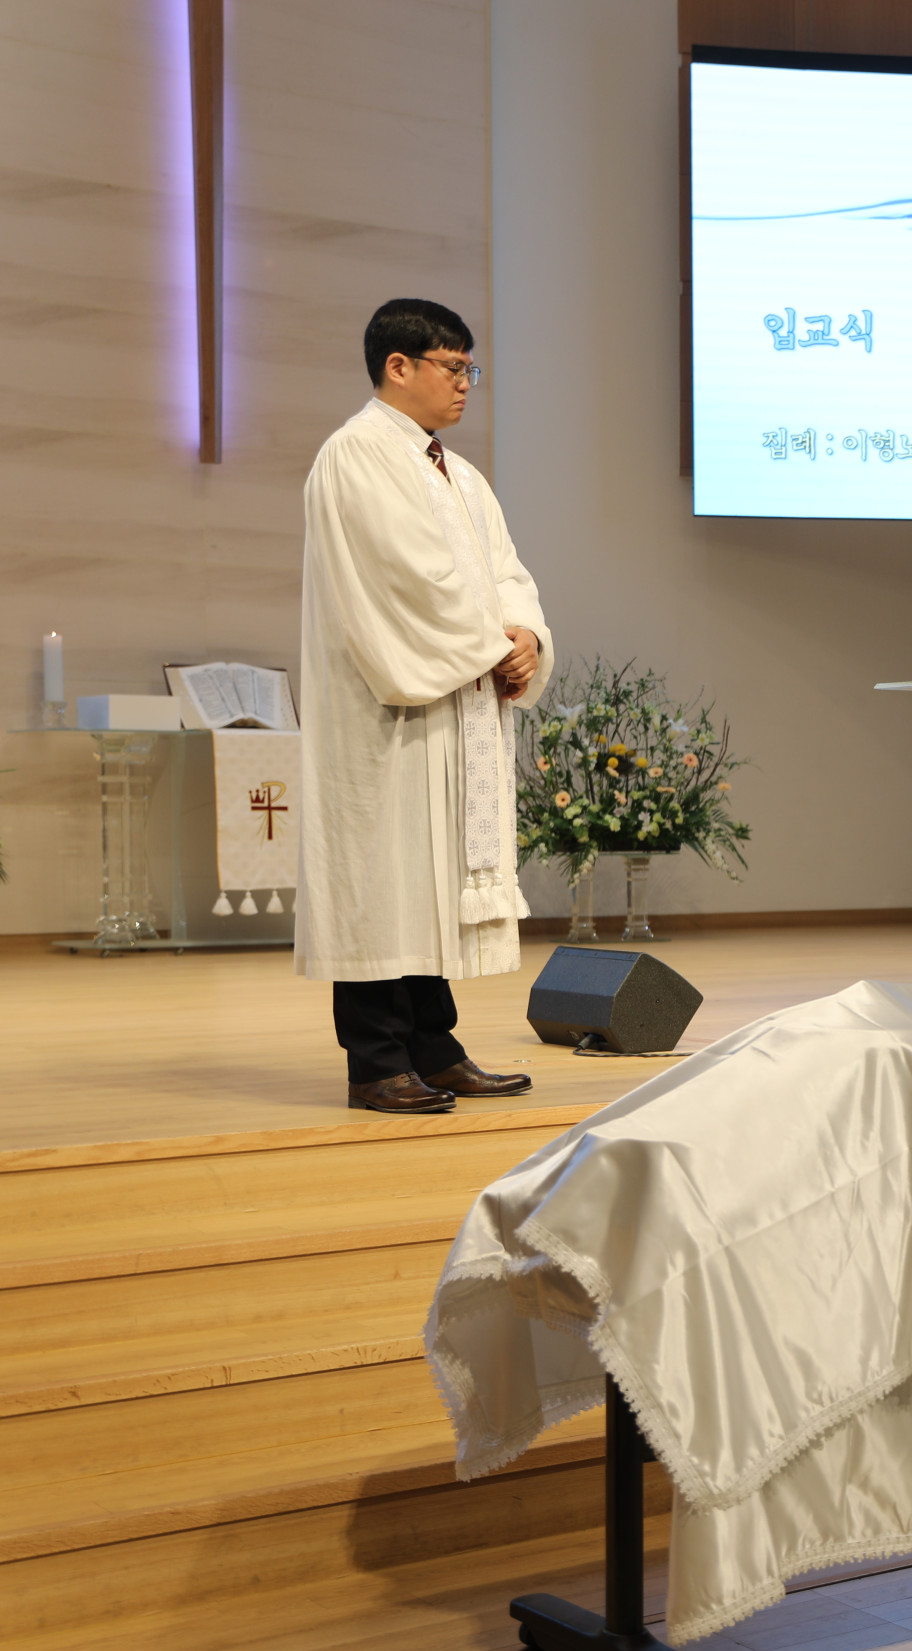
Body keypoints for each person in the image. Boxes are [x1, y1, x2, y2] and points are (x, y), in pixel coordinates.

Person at [298, 299, 555, 1113]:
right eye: (453, 366)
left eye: (471, 367)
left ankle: (433, 1048)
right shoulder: (356, 454)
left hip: (454, 702)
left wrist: (526, 638)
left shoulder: (460, 474)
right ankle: (376, 1061)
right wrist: (491, 644)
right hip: (388, 714)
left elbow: (507, 573)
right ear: (398, 366)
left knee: (427, 883)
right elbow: (409, 582)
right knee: (380, 884)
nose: (466, 382)